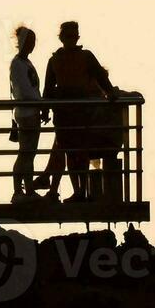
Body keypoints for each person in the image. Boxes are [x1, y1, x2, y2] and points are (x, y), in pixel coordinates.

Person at [36, 21, 117, 202]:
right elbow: (48, 89)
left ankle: (80, 191)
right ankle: (78, 191)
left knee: (81, 152)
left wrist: (110, 92)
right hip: (64, 112)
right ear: (62, 38)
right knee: (70, 153)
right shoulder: (54, 60)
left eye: (73, 36)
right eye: (68, 36)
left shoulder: (86, 57)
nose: (71, 40)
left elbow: (101, 77)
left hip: (81, 112)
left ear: (77, 37)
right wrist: (45, 110)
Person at [8, 26, 45, 203]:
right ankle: (22, 191)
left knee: (28, 153)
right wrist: (41, 103)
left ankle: (24, 190)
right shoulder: (17, 64)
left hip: (32, 111)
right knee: (26, 153)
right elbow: (24, 90)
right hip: (26, 112)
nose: (32, 45)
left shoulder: (25, 63)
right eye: (29, 41)